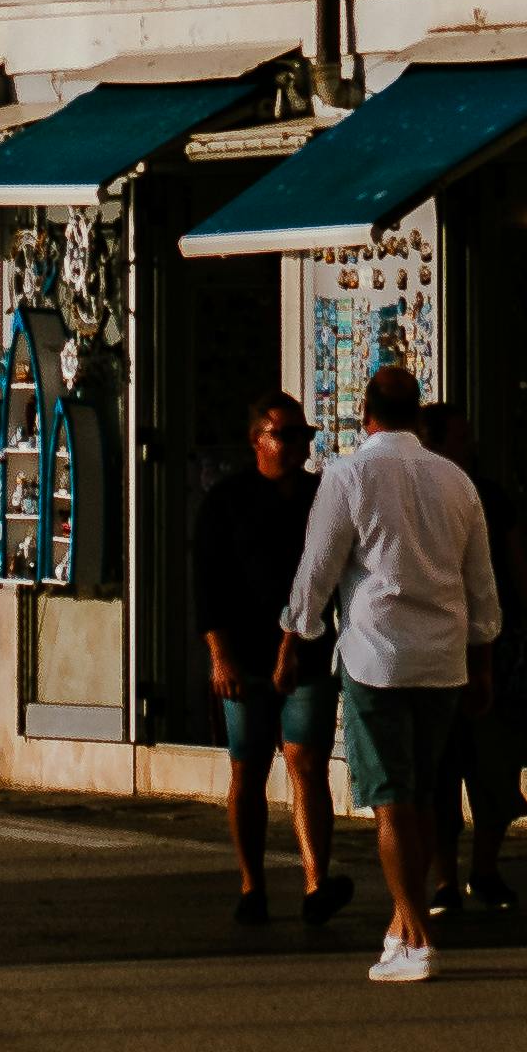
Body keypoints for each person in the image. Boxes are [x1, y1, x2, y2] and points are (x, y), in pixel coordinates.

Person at [280, 362, 499, 986]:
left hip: (377, 654)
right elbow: (481, 583)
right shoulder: (456, 480)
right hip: (444, 658)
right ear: (416, 413)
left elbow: (316, 570)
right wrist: (483, 660)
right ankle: (404, 924)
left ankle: (414, 930)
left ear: (365, 416)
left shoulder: (348, 475)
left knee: (390, 800)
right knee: (422, 791)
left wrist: (295, 639)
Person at [192, 396, 337, 932]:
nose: (302, 446)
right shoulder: (225, 501)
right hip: (246, 654)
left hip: (309, 648)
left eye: (305, 436)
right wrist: (219, 656)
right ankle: (252, 883)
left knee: (306, 762)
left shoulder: (322, 496)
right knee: (248, 767)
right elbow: (208, 586)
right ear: (259, 440)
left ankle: (316, 882)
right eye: (289, 436)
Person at [419, 404, 527, 914]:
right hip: (436, 649)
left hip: (495, 639)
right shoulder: (417, 497)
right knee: (440, 770)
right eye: (459, 437)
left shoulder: (490, 497)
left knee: (496, 764)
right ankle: (445, 879)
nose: (469, 446)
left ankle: (485, 869)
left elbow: (517, 568)